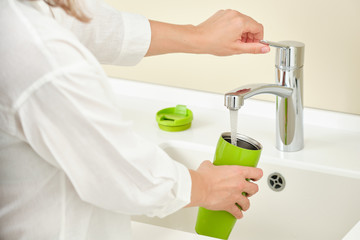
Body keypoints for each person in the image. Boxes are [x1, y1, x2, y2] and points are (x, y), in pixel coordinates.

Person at [0, 0, 267, 239]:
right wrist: (206, 187)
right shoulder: (40, 55)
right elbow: (114, 172)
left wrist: (197, 36)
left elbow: (86, 26)